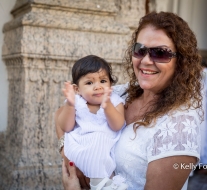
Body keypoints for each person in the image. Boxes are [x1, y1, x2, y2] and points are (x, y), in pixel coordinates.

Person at [56, 11, 203, 190]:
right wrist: (71, 156)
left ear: (180, 62)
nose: (146, 61)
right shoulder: (121, 92)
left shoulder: (180, 128)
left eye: (160, 53)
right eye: (140, 50)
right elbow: (61, 114)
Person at [57, 55, 128, 190]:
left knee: (100, 145)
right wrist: (70, 105)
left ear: (110, 84)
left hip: (104, 148)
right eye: (89, 83)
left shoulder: (114, 101)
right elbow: (66, 127)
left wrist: (107, 107)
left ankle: (104, 182)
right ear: (77, 89)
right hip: (80, 146)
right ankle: (98, 182)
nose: (98, 87)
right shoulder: (76, 102)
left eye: (103, 81)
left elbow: (117, 125)